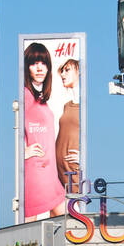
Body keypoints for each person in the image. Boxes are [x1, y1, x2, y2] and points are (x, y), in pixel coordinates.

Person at [22, 42, 66, 220]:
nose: (39, 68)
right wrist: (21, 152)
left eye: (43, 63)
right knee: (26, 226)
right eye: (34, 63)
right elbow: (8, 128)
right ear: (27, 67)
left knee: (63, 223)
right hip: (35, 171)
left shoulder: (38, 98)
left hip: (50, 173)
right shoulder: (24, 94)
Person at [54, 58, 82, 196]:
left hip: (74, 172)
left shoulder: (86, 106)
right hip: (59, 172)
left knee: (76, 213)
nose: (63, 74)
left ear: (79, 71)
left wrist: (84, 157)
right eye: (62, 71)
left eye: (67, 70)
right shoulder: (66, 105)